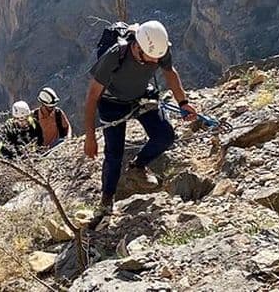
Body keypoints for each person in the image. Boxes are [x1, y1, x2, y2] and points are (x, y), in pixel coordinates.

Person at [83, 20, 198, 216]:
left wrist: (183, 103)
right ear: (137, 47)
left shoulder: (158, 49)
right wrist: (90, 137)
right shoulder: (115, 56)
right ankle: (106, 200)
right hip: (112, 104)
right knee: (114, 154)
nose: (155, 62)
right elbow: (92, 96)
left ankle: (138, 166)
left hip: (141, 96)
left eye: (157, 58)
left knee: (165, 135)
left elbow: (170, 73)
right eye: (150, 58)